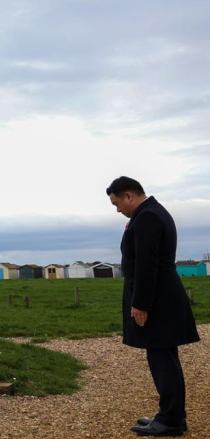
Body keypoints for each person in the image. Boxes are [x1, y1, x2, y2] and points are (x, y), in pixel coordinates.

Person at [106, 176, 199, 437]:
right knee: (163, 358)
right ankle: (172, 416)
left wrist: (140, 303)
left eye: (116, 204)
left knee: (162, 360)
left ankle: (170, 420)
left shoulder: (148, 216)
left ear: (128, 195)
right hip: (162, 297)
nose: (117, 210)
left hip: (157, 300)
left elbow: (147, 263)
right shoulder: (151, 213)